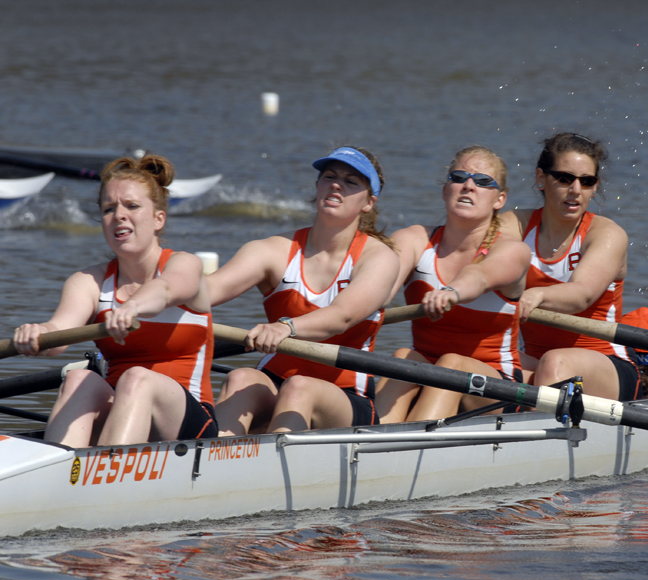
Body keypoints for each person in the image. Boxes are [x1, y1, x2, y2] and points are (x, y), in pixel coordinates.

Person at [13, 155, 217, 448]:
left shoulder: (185, 265)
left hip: (190, 422)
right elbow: (58, 334)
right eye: (109, 209)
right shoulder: (88, 281)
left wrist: (131, 307)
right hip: (121, 411)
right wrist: (37, 333)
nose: (119, 215)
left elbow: (164, 290)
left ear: (158, 218)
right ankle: (58, 472)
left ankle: (104, 476)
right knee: (77, 380)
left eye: (132, 206)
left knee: (138, 378)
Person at [208, 146, 399, 435]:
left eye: (351, 182)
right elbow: (208, 290)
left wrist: (287, 326)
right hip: (274, 380)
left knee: (300, 388)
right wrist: (147, 298)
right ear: (318, 186)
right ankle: (209, 466)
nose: (337, 184)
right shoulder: (272, 250)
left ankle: (268, 471)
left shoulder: (379, 259)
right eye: (329, 176)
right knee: (240, 378)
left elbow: (341, 317)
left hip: (346, 397)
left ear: (368, 202)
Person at [374, 146, 531, 423]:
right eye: (459, 177)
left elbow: (480, 276)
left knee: (451, 363)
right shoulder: (413, 239)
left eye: (483, 182)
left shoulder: (512, 251)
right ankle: (367, 440)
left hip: (497, 386)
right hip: (428, 371)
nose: (468, 186)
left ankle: (403, 451)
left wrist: (452, 292)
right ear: (446, 190)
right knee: (402, 357)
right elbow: (378, 289)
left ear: (499, 200)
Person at [499, 132, 642, 402]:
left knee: (555, 363)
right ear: (541, 179)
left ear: (595, 186)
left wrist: (537, 294)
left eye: (586, 181)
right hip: (537, 361)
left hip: (607, 365)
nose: (576, 190)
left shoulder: (606, 234)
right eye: (565, 178)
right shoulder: (514, 224)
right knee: (468, 357)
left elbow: (582, 294)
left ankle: (528, 436)